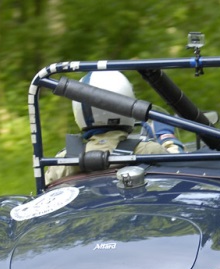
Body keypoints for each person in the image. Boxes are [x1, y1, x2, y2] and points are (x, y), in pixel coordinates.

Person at [44, 71, 181, 185]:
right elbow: (183, 169)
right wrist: (166, 138)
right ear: (129, 104)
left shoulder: (64, 161)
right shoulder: (147, 150)